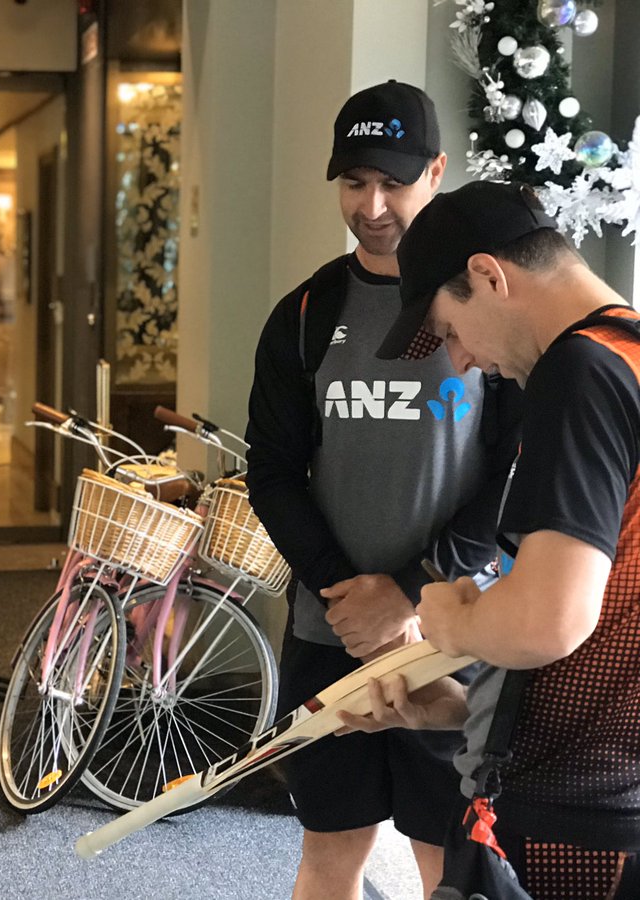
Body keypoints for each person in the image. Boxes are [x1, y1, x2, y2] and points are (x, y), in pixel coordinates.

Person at [244, 81, 522, 900]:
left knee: (450, 862)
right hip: (329, 631)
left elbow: (513, 474)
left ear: (436, 171)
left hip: (456, 635)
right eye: (354, 181)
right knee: (330, 852)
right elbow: (272, 471)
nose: (371, 206)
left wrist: (407, 591)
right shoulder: (305, 312)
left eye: (393, 182)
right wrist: (347, 596)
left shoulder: (482, 305)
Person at [340, 179, 640, 900]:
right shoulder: (626, 354)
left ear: (487, 276)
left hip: (567, 819)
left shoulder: (578, 371)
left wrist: (452, 620)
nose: (461, 361)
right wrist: (462, 707)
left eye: (449, 331)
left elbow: (549, 622)